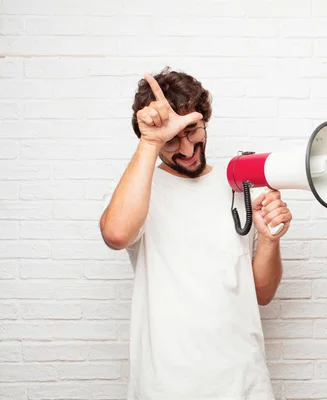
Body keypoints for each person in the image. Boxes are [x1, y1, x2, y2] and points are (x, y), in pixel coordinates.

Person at [99, 67, 292, 399]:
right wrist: (151, 139)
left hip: (244, 382)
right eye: (172, 139)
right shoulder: (140, 188)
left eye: (191, 129)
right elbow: (116, 234)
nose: (187, 149)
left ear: (205, 119)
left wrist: (270, 241)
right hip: (168, 385)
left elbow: (260, 293)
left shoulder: (237, 186)